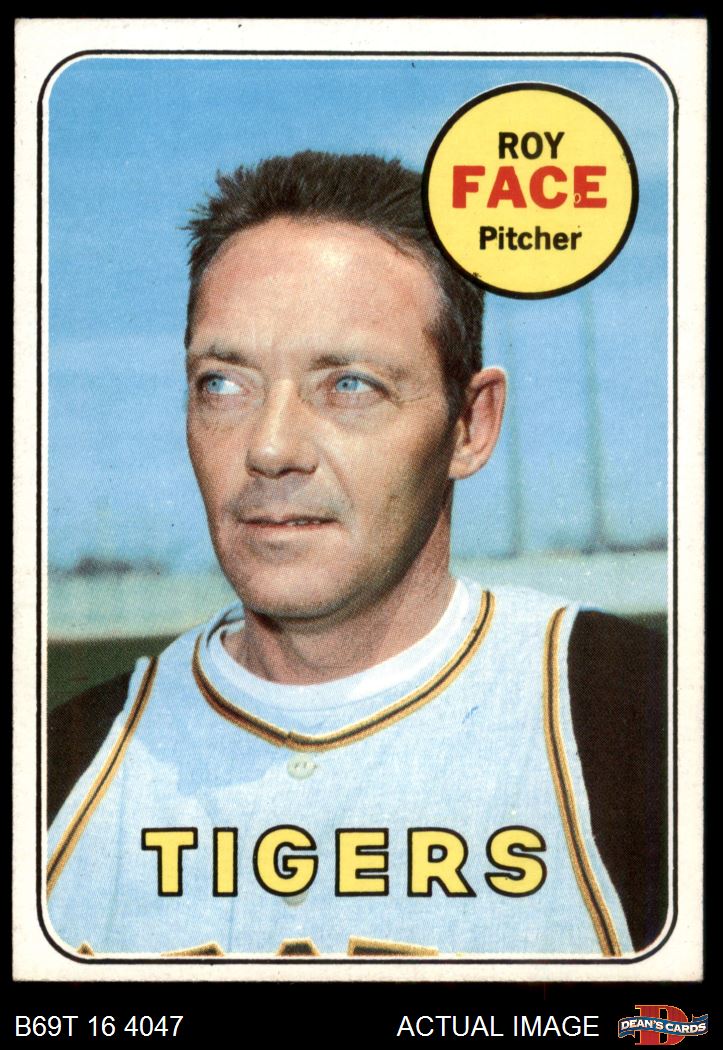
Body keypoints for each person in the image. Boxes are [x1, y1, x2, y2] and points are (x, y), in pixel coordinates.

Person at [46, 151, 666, 959]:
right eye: (222, 383)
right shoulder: (60, 768)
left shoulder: (641, 723)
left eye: (348, 385)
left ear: (470, 425)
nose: (270, 448)